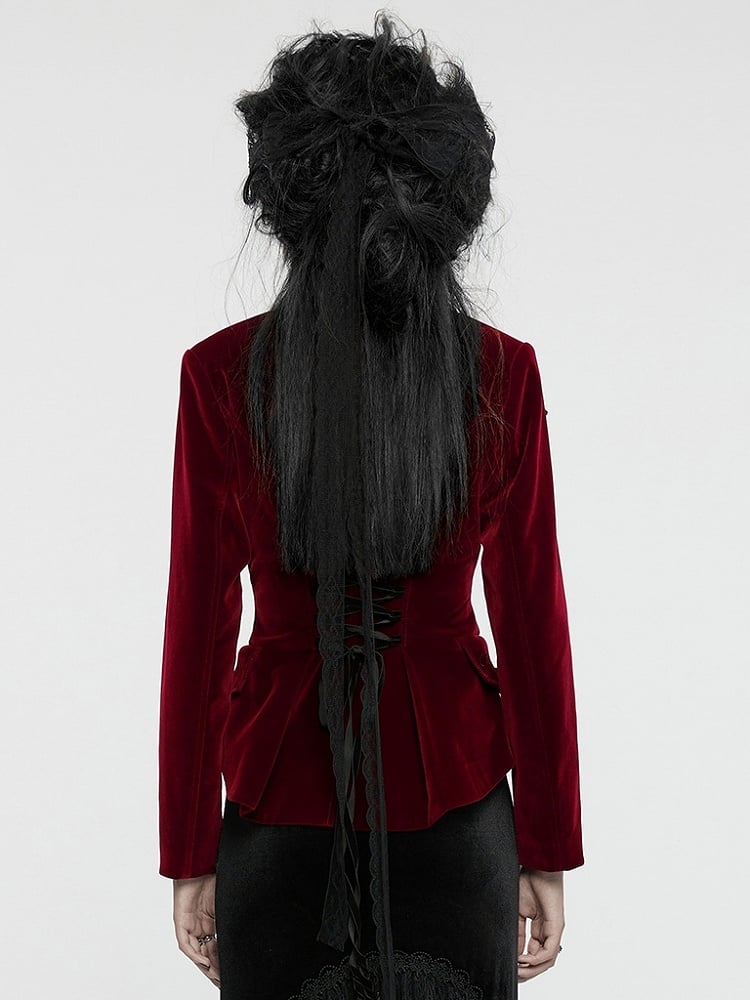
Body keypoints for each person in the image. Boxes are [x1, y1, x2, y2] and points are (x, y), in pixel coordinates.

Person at [157, 12, 584, 1000]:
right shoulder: (500, 373)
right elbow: (533, 626)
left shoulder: (220, 375)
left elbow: (198, 628)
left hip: (275, 805)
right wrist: (549, 842)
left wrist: (187, 848)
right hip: (459, 807)